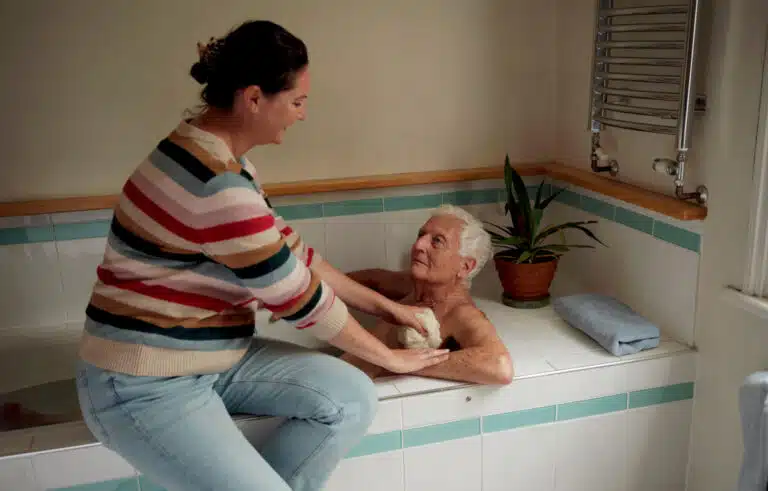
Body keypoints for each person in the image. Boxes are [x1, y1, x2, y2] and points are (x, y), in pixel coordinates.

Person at [74, 20, 450, 491]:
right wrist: (388, 357)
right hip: (142, 383)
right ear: (254, 98)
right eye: (296, 101)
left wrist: (391, 309)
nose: (302, 114)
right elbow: (301, 301)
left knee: (351, 397)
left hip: (211, 359)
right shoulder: (217, 185)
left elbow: (296, 257)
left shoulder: (217, 157)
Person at [341, 205, 514, 386]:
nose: (418, 245)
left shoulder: (461, 314)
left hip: (349, 390)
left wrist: (399, 363)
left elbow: (500, 366)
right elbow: (373, 278)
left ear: (465, 267)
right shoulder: (414, 284)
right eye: (421, 235)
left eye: (437, 241)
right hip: (341, 373)